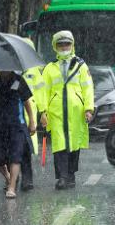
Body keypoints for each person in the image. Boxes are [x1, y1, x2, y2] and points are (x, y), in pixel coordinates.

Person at [37, 30, 94, 190]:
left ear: (72, 45)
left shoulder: (81, 66)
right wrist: (43, 111)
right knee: (59, 144)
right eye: (60, 44)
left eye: (67, 43)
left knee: (74, 145)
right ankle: (62, 177)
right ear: (55, 46)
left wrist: (88, 108)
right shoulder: (49, 68)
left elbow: (88, 88)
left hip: (76, 112)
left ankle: (71, 174)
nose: (64, 47)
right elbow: (43, 91)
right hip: (56, 113)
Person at [0, 70, 35, 198]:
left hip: (16, 125)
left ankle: (12, 187)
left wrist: (31, 121)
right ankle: (8, 177)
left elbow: (26, 102)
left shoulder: (19, 80)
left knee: (15, 156)